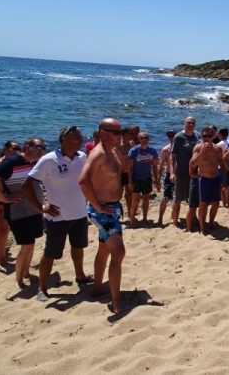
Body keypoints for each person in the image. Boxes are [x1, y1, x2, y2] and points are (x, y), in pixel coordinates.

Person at [22, 126, 92, 301]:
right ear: (64, 140)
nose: (80, 139)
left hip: (80, 214)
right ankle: (42, 288)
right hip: (57, 217)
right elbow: (27, 185)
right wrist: (40, 208)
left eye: (80, 136)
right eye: (76, 137)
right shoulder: (49, 160)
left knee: (78, 247)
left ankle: (80, 276)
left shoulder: (82, 157)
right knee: (51, 253)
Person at [78, 118, 126, 314]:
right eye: (116, 132)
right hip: (102, 211)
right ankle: (116, 302)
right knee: (119, 251)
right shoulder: (97, 154)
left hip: (112, 208)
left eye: (120, 131)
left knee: (105, 249)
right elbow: (83, 181)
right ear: (104, 133)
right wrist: (97, 205)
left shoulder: (112, 151)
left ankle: (97, 288)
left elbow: (119, 173)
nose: (120, 136)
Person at [0, 137, 46, 287]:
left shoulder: (34, 163)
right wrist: (4, 197)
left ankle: (26, 272)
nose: (41, 150)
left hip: (34, 209)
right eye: (38, 147)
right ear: (27, 146)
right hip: (18, 212)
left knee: (31, 244)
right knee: (27, 245)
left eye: (43, 148)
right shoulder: (11, 162)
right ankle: (19, 279)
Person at [190, 126, 226, 235]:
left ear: (213, 136)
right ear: (201, 136)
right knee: (203, 204)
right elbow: (193, 163)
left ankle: (210, 223)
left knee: (215, 203)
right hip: (203, 180)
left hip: (215, 179)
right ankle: (203, 227)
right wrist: (202, 152)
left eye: (209, 136)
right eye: (204, 136)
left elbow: (222, 165)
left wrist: (224, 180)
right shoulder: (197, 148)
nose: (206, 138)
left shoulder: (217, 149)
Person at [171, 116, 198, 230]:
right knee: (178, 198)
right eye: (188, 123)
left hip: (194, 172)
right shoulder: (178, 137)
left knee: (193, 198)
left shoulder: (198, 136)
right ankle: (175, 219)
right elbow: (173, 157)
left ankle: (194, 217)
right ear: (184, 123)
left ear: (195, 124)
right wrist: (172, 173)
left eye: (192, 123)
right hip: (181, 172)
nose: (190, 124)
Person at [0, 140, 21, 267]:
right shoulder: (0, 164)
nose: (17, 150)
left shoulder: (15, 163)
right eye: (14, 148)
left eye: (19, 148)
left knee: (4, 230)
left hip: (5, 201)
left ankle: (1, 257)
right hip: (1, 199)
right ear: (6, 149)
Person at [128, 132, 160, 225]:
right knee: (135, 199)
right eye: (141, 138)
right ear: (138, 139)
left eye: (145, 138)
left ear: (148, 139)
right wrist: (130, 181)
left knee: (146, 198)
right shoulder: (133, 151)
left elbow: (154, 166)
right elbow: (129, 167)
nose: (144, 140)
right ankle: (132, 218)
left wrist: (156, 179)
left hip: (147, 178)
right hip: (136, 178)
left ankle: (145, 218)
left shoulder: (153, 151)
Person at [157, 129, 176, 226]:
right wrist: (158, 179)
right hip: (169, 175)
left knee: (177, 198)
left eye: (173, 135)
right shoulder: (166, 149)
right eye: (169, 136)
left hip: (180, 176)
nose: (171, 137)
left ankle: (173, 217)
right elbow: (161, 165)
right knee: (166, 197)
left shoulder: (181, 148)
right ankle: (160, 218)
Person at [216, 128, 229, 207]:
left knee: (222, 185)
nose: (217, 135)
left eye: (218, 134)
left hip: (222, 166)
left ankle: (224, 203)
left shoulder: (219, 144)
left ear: (221, 135)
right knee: (228, 185)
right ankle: (228, 201)